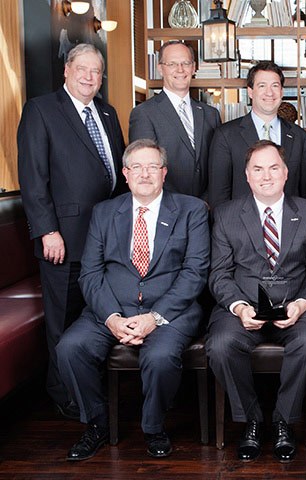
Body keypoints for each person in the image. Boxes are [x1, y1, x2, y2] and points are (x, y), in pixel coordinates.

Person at [56, 139, 210, 461]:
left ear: (164, 172)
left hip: (170, 310)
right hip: (111, 308)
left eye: (152, 166)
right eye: (136, 167)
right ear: (125, 174)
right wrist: (112, 317)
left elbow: (195, 273)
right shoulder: (104, 212)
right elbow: (91, 273)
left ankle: (153, 427)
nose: (145, 174)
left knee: (161, 357)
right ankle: (97, 423)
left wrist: (154, 317)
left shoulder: (191, 210)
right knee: (70, 348)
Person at [17, 43, 126, 420]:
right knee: (63, 320)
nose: (89, 77)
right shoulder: (41, 110)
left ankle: (93, 388)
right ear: (66, 70)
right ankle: (64, 393)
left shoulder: (108, 113)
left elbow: (117, 174)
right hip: (64, 239)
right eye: (82, 69)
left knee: (98, 317)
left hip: (107, 239)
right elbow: (32, 178)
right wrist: (47, 230)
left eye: (96, 71)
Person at [206, 140, 306, 463]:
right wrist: (239, 307)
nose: (266, 176)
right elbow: (219, 273)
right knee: (220, 345)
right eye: (258, 169)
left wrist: (302, 304)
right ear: (247, 175)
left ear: (286, 172)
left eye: (274, 168)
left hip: (296, 307)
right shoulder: (227, 214)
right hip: (244, 307)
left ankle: (282, 420)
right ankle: (252, 420)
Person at [208, 61, 306, 209]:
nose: (269, 93)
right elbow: (218, 197)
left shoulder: (299, 137)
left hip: (290, 221)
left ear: (282, 92)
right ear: (250, 92)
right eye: (262, 86)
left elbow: (305, 194)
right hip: (241, 222)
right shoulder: (225, 135)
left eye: (275, 86)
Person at [129, 40, 221, 201]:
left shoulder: (210, 114)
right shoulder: (144, 113)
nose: (180, 69)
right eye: (172, 64)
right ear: (160, 68)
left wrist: (206, 202)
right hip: (167, 206)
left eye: (186, 63)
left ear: (193, 68)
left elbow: (217, 165)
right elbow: (145, 169)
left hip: (206, 206)